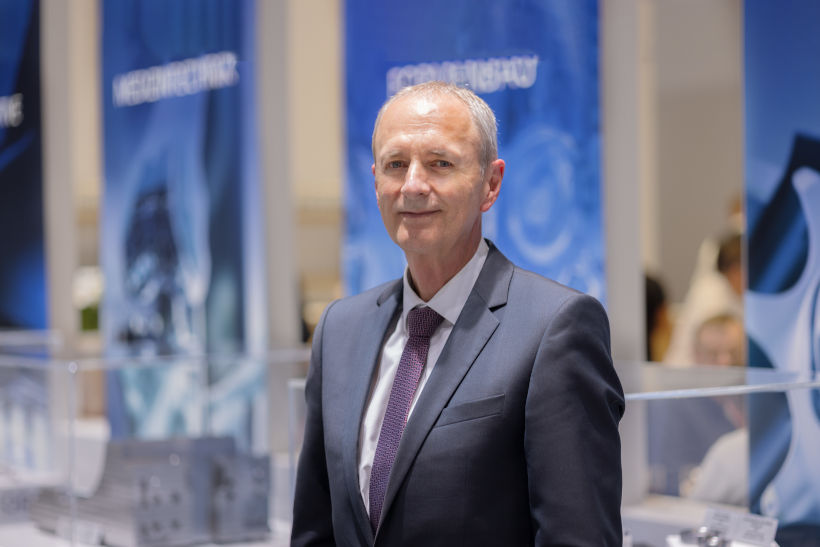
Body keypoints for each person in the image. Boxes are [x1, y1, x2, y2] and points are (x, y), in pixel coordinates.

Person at [291, 81, 625, 546]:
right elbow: (316, 529)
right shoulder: (340, 330)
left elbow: (578, 537)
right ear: (375, 181)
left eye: (440, 163)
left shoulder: (555, 329)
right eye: (395, 164)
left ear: (491, 184)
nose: (412, 185)